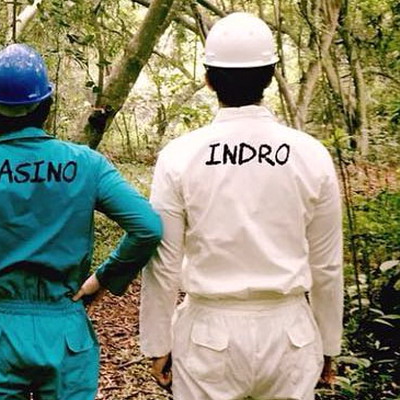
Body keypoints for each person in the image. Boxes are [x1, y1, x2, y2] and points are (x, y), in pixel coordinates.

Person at [0, 43, 162, 400]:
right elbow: (147, 228)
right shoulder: (87, 164)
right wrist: (102, 279)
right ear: (45, 104)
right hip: (65, 331)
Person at [139, 12, 343, 400]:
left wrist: (157, 343)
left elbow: (163, 262)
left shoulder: (180, 155)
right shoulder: (310, 154)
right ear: (271, 76)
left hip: (208, 337)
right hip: (290, 335)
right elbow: (327, 265)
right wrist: (329, 343)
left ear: (208, 79)